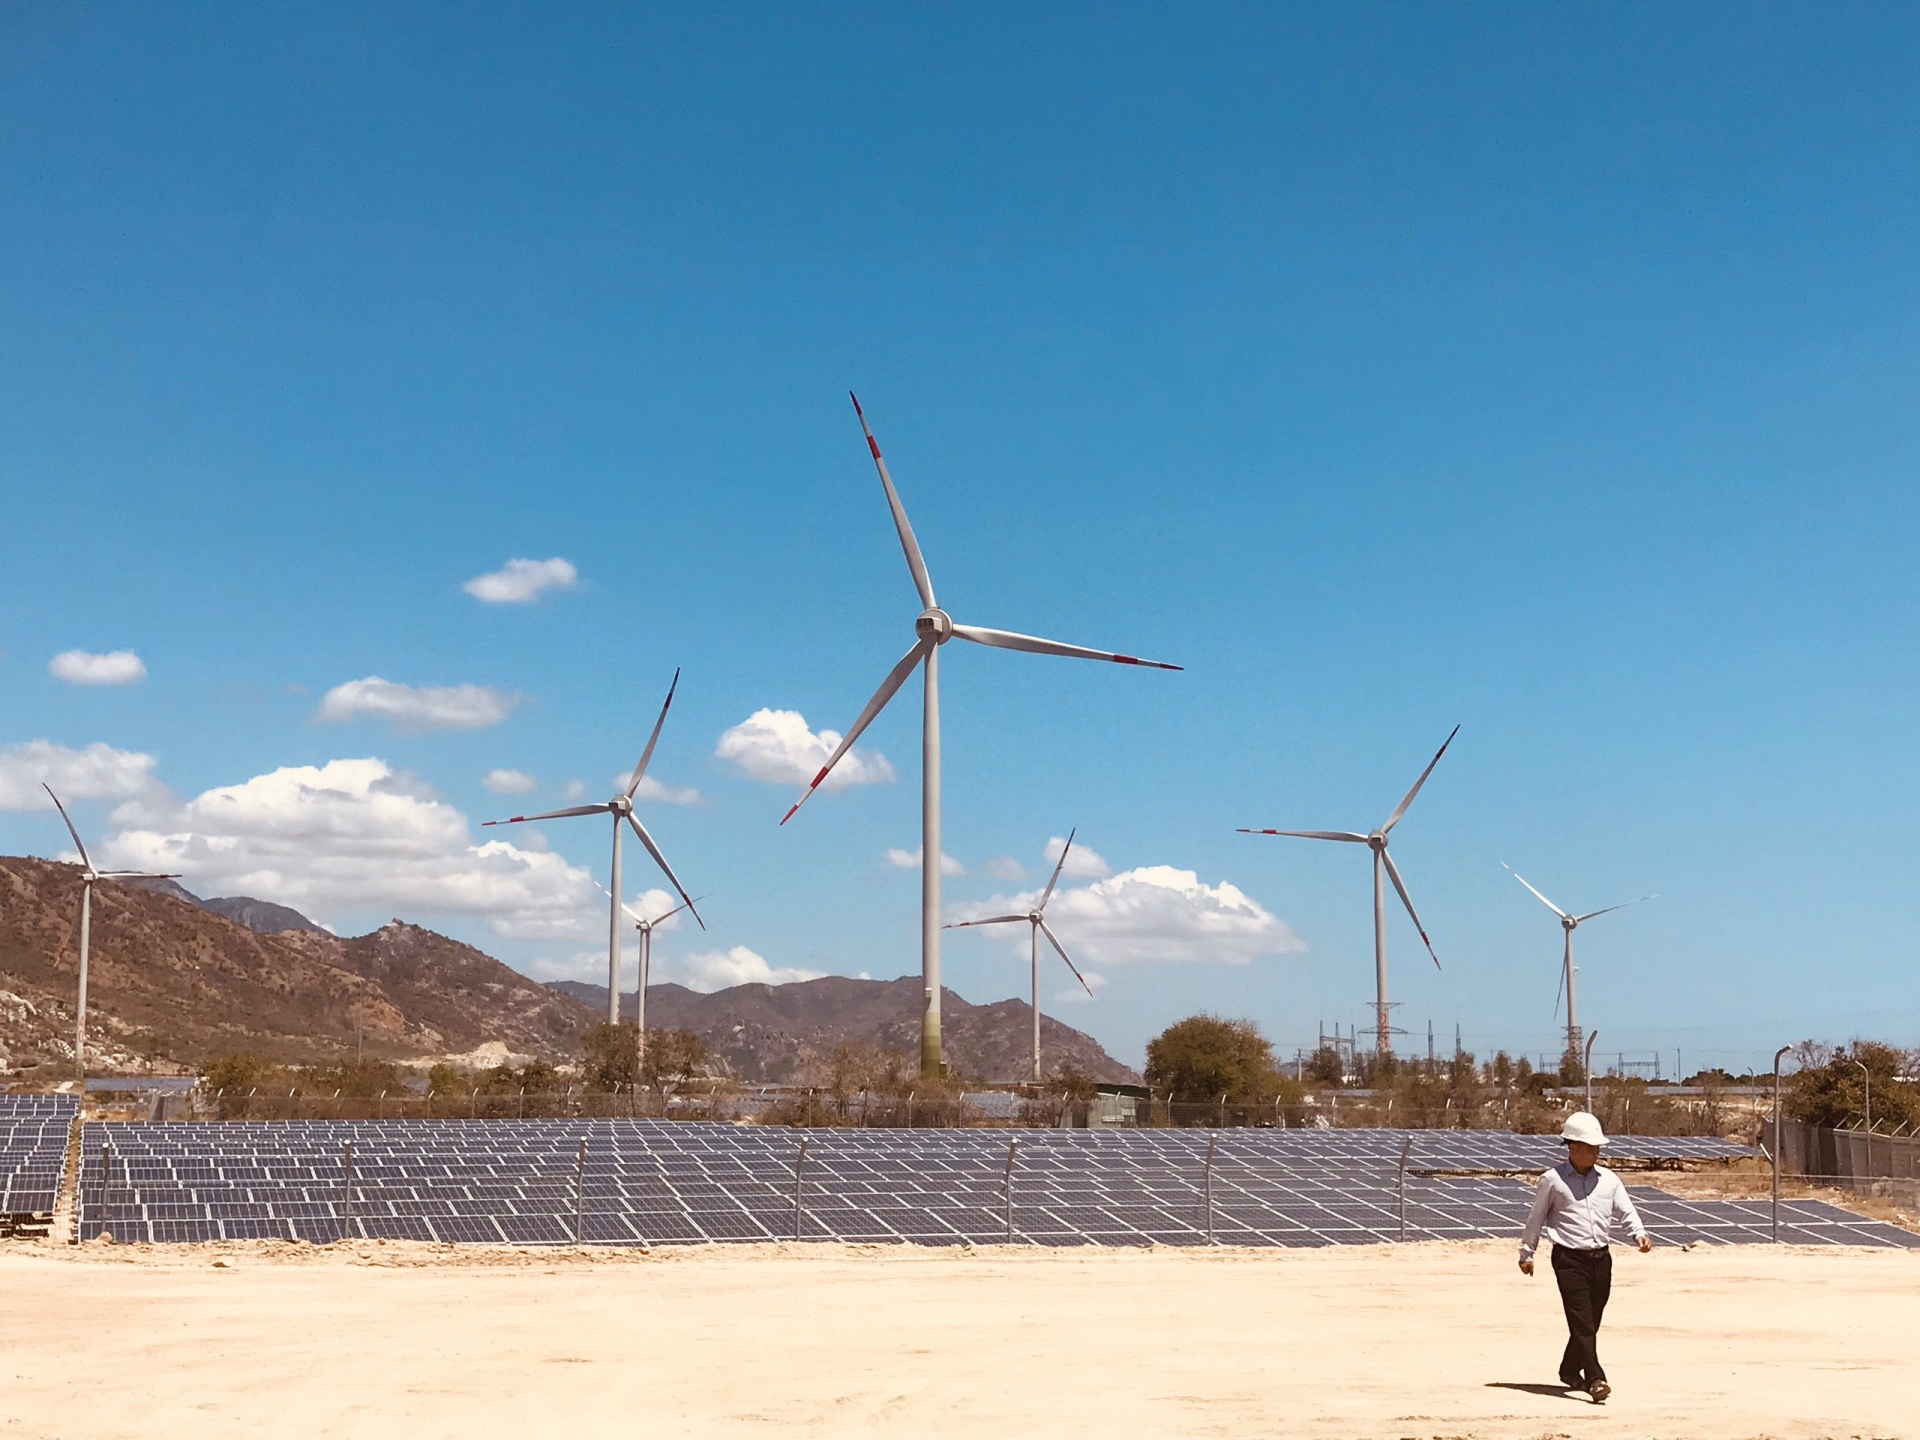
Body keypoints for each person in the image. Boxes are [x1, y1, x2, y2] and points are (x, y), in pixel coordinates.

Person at [1518, 1111, 1652, 1404]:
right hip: (1569, 1259)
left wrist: (1638, 1234)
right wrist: (1527, 1252)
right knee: (1581, 1322)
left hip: (1601, 1259)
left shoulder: (1609, 1180)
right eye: (1590, 1147)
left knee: (1592, 1320)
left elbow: (1626, 1210)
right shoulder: (1552, 1180)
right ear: (1573, 1146)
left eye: (1597, 1147)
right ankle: (1595, 1378)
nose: (1595, 1153)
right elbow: (1536, 1218)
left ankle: (1569, 1369)